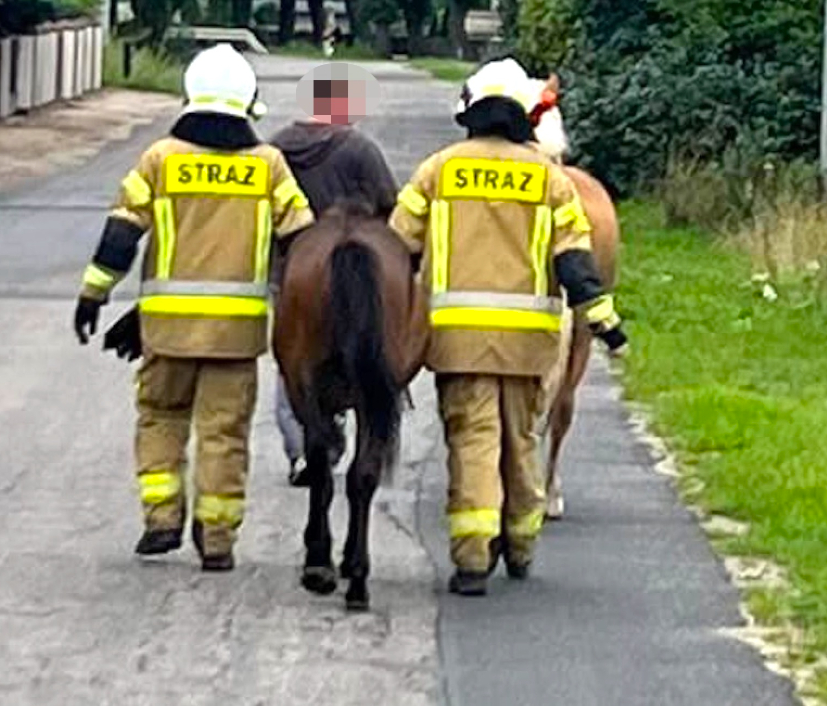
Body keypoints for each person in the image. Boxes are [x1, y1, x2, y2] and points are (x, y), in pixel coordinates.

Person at [388, 58, 628, 596]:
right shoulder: (550, 180)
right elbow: (575, 263)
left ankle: (473, 559)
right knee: (520, 440)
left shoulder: (439, 169)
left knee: (473, 439)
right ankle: (520, 544)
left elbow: (398, 243)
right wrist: (605, 322)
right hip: (527, 343)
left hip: (457, 340)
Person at [73, 44, 316, 572]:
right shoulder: (268, 166)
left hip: (167, 331)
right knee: (223, 433)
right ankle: (218, 540)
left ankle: (161, 519)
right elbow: (302, 240)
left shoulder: (161, 159)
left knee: (161, 418)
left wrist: (94, 294)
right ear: (247, 103)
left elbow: (121, 234)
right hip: (235, 336)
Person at [269, 72, 400, 487]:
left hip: (290, 270)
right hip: (359, 277)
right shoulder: (360, 149)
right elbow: (391, 207)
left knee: (292, 361)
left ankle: (301, 448)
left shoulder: (275, 148)